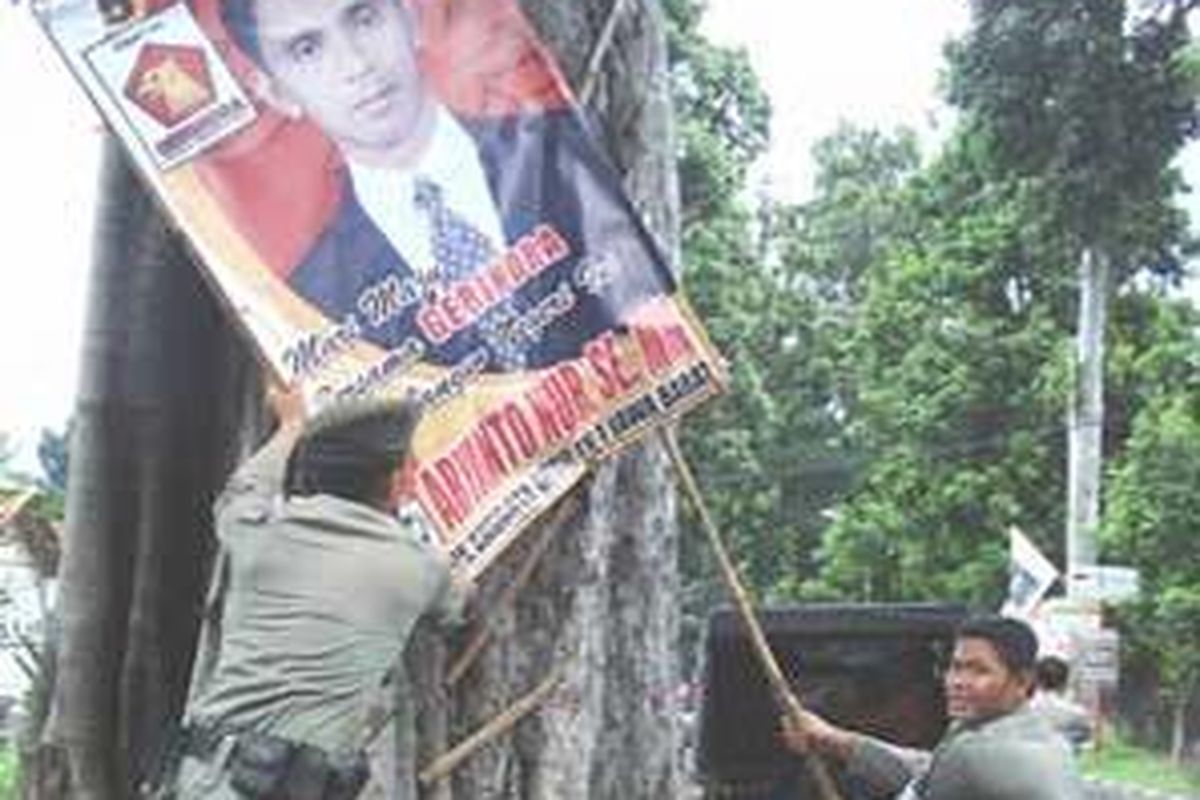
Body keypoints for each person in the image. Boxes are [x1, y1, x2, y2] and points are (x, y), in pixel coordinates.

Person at [220, 0, 673, 369]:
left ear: (411, 18)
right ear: (276, 92)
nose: (355, 64)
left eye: (363, 16)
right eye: (306, 49)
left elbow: (638, 310)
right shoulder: (309, 301)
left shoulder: (556, 152)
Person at [166, 383, 464, 799]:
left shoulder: (259, 530)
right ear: (397, 482)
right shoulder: (420, 568)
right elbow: (456, 610)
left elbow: (243, 490)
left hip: (210, 779)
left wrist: (290, 426)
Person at [779, 614, 1083, 800]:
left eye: (979, 670)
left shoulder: (979, 754)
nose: (957, 682)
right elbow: (928, 768)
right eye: (956, 667)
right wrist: (834, 740)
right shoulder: (1041, 735)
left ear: (1022, 681)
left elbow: (927, 779)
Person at [1031, 655, 1093, 753]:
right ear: (1064, 682)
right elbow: (1088, 743)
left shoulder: (1024, 708)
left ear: (1036, 679)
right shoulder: (1077, 713)